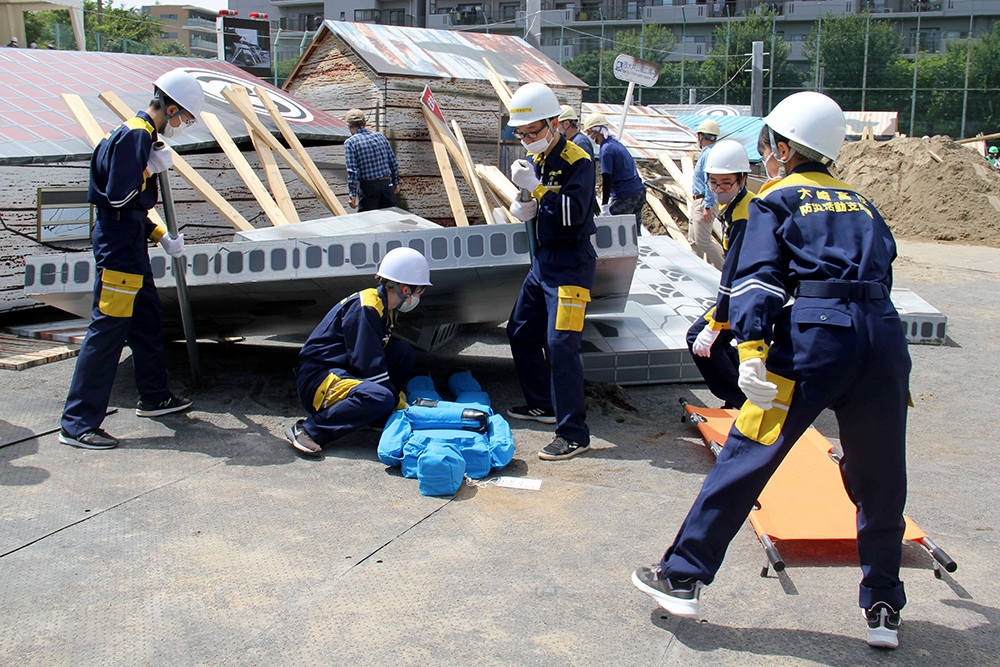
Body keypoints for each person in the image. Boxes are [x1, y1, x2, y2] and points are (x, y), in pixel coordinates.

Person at [632, 91, 911, 651]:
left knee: (749, 452)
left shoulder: (775, 199)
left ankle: (683, 574)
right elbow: (883, 264)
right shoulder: (861, 203)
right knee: (880, 475)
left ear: (782, 147)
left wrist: (753, 353)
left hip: (815, 338)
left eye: (768, 147)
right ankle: (882, 604)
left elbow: (758, 279)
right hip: (883, 338)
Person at [59, 69, 202, 449]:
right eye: (185, 118)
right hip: (120, 245)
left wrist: (161, 238)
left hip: (131, 237)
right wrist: (148, 168)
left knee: (146, 317)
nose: (184, 125)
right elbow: (120, 197)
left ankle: (154, 395)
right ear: (170, 108)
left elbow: (134, 209)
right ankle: (77, 423)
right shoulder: (136, 135)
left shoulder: (139, 134)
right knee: (108, 332)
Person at [505, 82, 597, 461]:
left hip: (571, 265)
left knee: (561, 347)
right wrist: (521, 204)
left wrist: (538, 191)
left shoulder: (579, 160)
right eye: (521, 134)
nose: (527, 139)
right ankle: (543, 403)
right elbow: (540, 204)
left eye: (533, 132)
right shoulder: (538, 158)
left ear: (554, 123)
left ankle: (574, 433)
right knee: (521, 331)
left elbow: (573, 215)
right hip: (543, 262)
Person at [285, 247, 430, 456]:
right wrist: (398, 402)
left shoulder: (383, 309)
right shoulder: (367, 308)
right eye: (420, 291)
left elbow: (377, 357)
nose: (419, 296)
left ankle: (376, 416)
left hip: (341, 372)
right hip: (318, 380)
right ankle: (309, 430)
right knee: (382, 397)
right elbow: (369, 365)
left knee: (402, 352)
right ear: (406, 290)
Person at [684, 139, 753, 409]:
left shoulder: (744, 215)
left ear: (743, 179)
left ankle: (740, 401)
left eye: (726, 183)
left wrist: (716, 323)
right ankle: (742, 396)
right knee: (720, 341)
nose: (719, 189)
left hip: (748, 292)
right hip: (744, 290)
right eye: (713, 183)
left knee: (700, 337)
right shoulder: (735, 206)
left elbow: (732, 275)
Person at [581, 112, 647, 237]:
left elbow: (607, 178)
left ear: (596, 131)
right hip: (638, 192)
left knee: (618, 233)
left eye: (589, 132)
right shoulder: (616, 144)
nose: (588, 135)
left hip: (625, 195)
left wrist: (605, 205)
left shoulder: (606, 150)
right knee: (634, 233)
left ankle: (622, 256)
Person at [343, 108, 400, 212]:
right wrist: (395, 182)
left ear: (349, 126)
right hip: (386, 185)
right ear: (365, 123)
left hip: (368, 188)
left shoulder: (350, 142)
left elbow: (353, 170)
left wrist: (352, 194)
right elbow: (393, 162)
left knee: (369, 223)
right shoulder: (380, 136)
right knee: (390, 221)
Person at [689, 118, 725, 270]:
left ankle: (724, 270)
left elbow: (709, 182)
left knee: (703, 242)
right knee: (693, 241)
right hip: (699, 201)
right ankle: (697, 270)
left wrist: (708, 207)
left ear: (702, 136)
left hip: (704, 201)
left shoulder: (708, 155)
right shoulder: (709, 153)